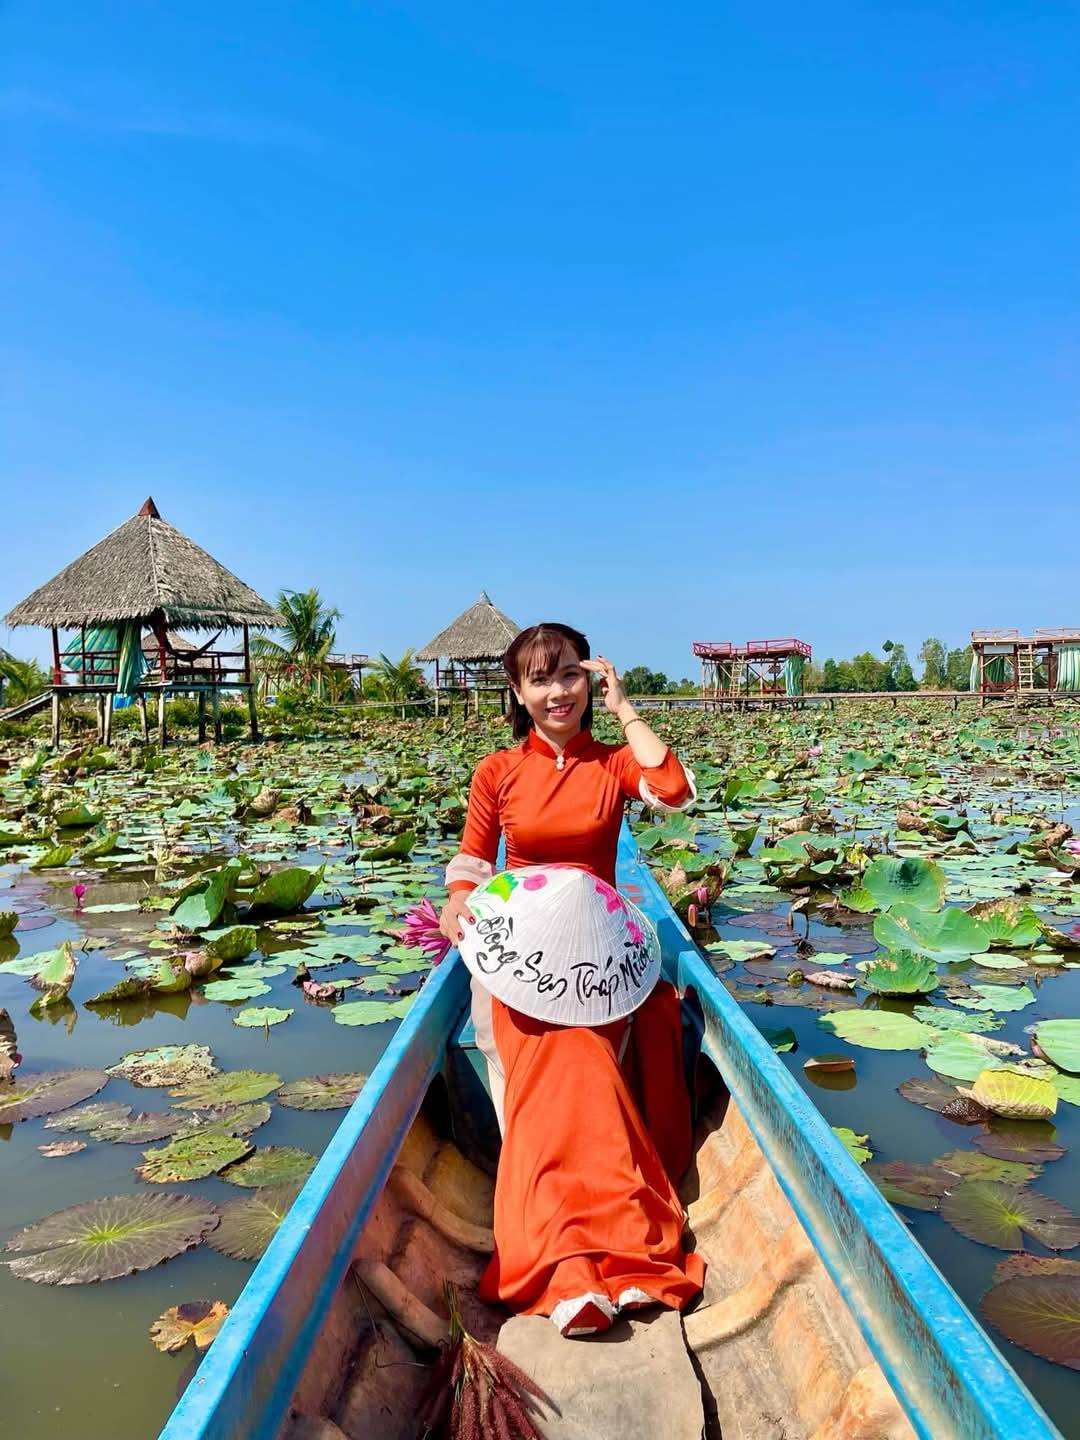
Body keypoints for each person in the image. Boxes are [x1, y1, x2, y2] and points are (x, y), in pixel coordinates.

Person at [439, 621, 705, 1337]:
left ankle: (614, 1255)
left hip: (598, 956)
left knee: (585, 1052)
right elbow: (471, 860)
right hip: (522, 957)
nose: (557, 692)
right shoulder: (497, 772)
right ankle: (567, 1267)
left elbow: (675, 791)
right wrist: (460, 897)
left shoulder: (614, 766)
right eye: (540, 680)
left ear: (591, 680)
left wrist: (627, 710)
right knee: (556, 1058)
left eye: (570, 676)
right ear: (518, 694)